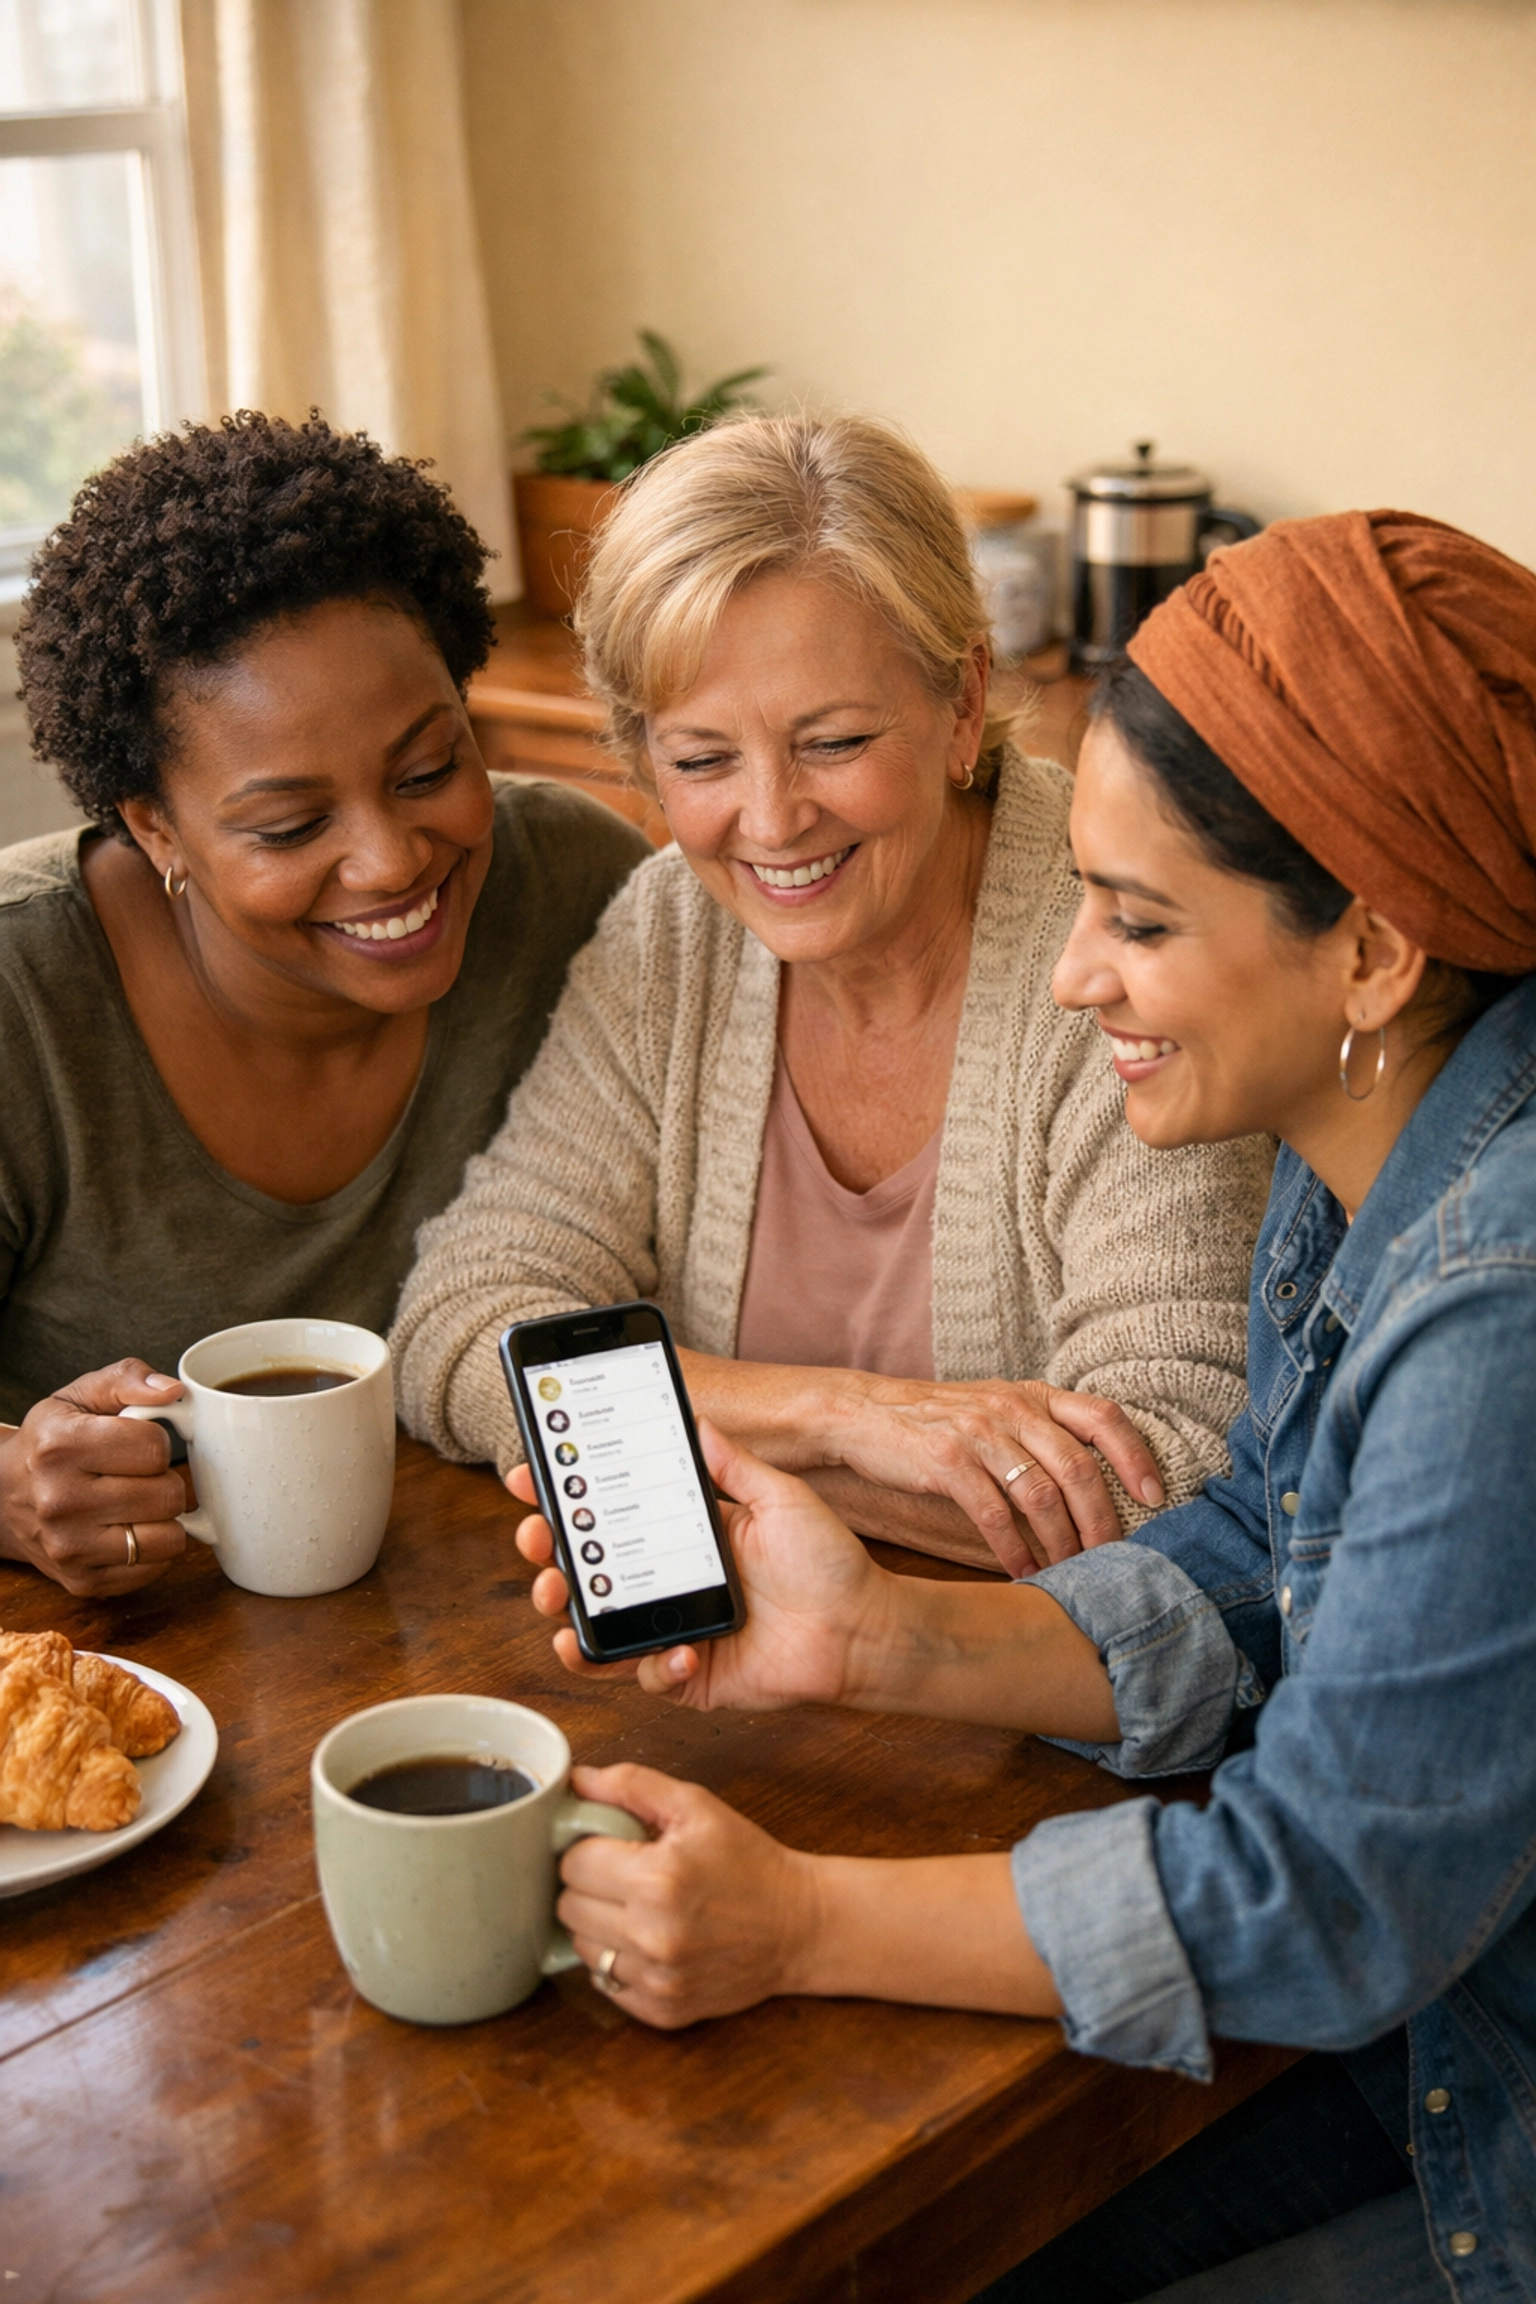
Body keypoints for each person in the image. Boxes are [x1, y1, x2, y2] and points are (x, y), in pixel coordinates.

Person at [509, 510, 1536, 2301]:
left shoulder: (1497, 1307)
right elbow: (1254, 1547)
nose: (1070, 975)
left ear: (1370, 948)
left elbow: (1328, 1898)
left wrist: (799, 1917)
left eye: (1137, 918)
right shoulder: (1377, 1103)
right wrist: (886, 1634)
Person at [393, 415, 1272, 1573]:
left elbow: (1173, 1471)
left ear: (962, 703)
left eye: (835, 741)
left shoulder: (1118, 940)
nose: (769, 821)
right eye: (702, 759)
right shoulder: (674, 929)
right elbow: (460, 1333)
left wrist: (656, 1434)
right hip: (733, 1671)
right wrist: (839, 1414)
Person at [0, 413, 647, 1598]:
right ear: (157, 831)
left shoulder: (582, 892)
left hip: (513, 1611)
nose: (392, 861)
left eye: (431, 770)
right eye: (292, 826)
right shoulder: (20, 998)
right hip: (144, 1672)